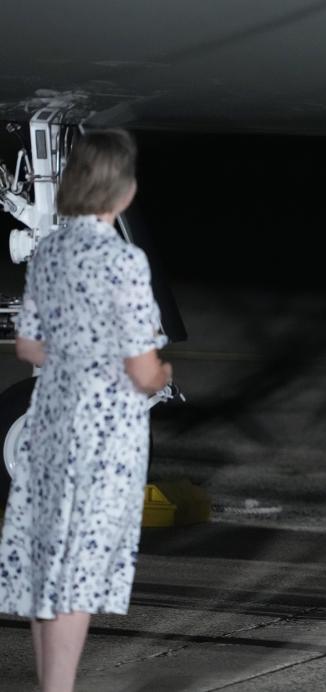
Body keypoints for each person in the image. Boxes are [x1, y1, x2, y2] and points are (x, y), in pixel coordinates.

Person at [0, 129, 171, 691]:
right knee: (79, 568)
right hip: (102, 441)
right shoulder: (124, 260)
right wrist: (161, 376)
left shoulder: (48, 251)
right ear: (121, 192)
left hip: (50, 423)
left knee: (44, 560)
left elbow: (28, 345)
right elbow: (144, 370)